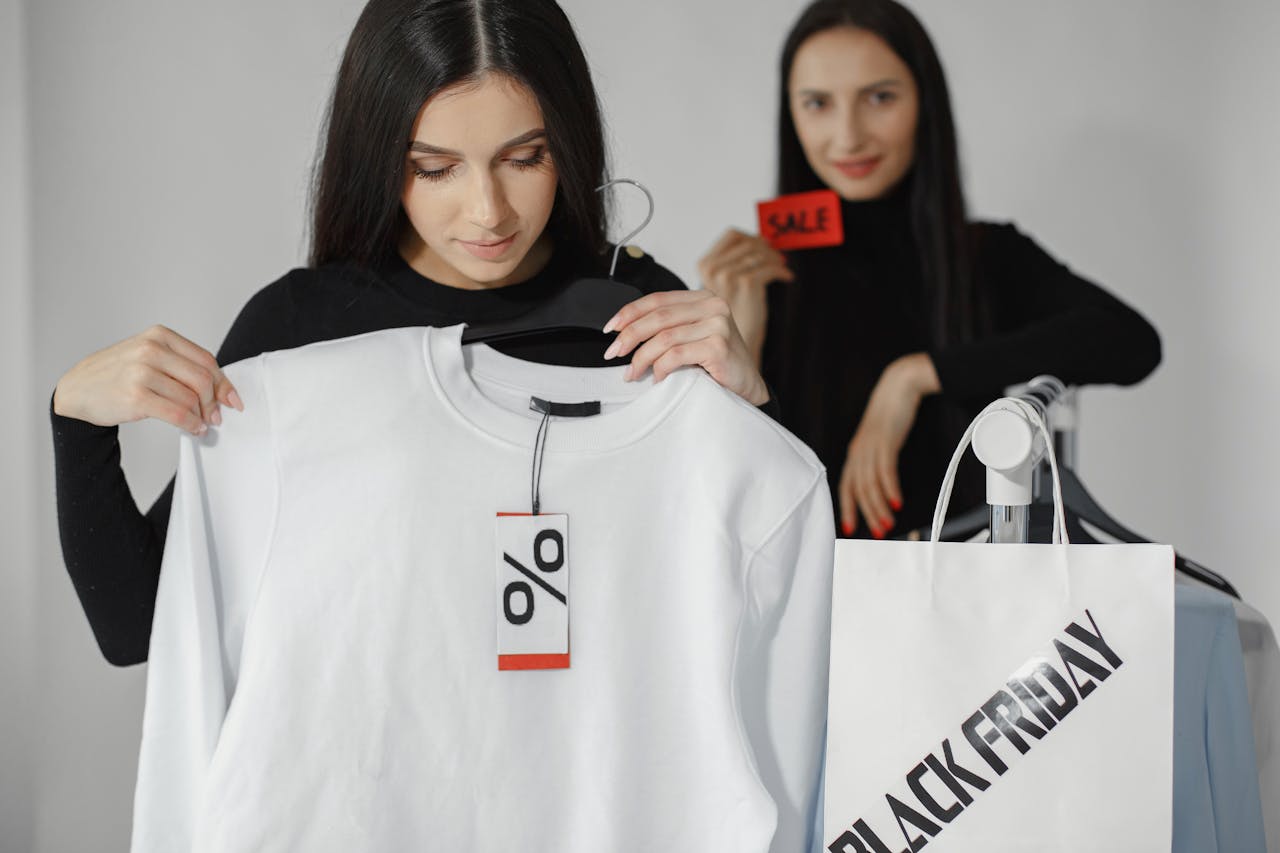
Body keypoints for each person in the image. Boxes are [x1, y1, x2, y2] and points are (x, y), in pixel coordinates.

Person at [51, 0, 771, 667]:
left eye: (525, 159)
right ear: (378, 160)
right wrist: (76, 419)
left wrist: (753, 401)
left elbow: (765, 597)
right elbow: (136, 625)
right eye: (435, 169)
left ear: (572, 146)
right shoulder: (303, 331)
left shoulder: (636, 313)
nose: (488, 210)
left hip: (598, 776)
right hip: (384, 786)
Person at [698, 0, 1161, 540]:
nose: (848, 135)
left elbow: (1131, 342)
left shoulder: (983, 255)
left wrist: (915, 376)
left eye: (879, 97)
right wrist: (740, 336)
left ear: (924, 101)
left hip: (949, 593)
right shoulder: (758, 272)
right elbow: (716, 486)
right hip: (796, 595)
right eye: (818, 103)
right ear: (791, 113)